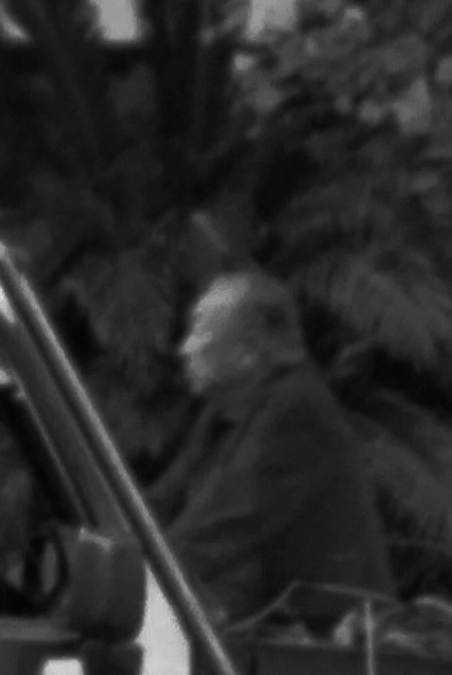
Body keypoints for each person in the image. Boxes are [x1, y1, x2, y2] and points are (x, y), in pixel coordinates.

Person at [161, 267, 386, 637]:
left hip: (334, 650)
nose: (185, 348)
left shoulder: (297, 412)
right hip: (273, 634)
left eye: (201, 331)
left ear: (248, 351)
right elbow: (159, 504)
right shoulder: (226, 411)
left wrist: (135, 577)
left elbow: (216, 527)